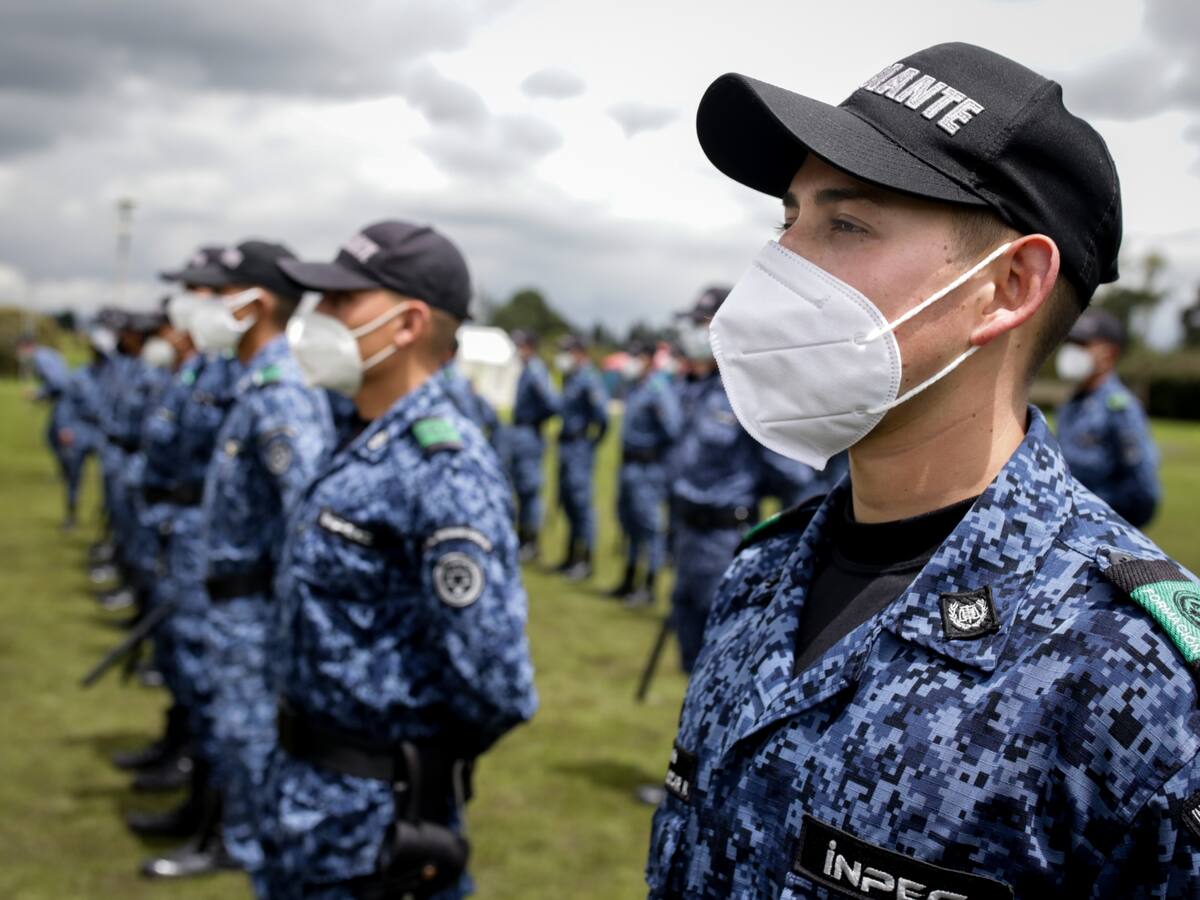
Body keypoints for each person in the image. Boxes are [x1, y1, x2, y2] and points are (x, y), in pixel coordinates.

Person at [646, 42, 1200, 897]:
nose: (783, 263)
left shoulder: (1128, 668)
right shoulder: (762, 575)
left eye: (846, 224)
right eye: (787, 220)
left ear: (1009, 285)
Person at [260, 219, 537, 898]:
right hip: (303, 800)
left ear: (408, 324)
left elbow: (497, 681)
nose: (317, 317)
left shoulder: (442, 466)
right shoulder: (357, 431)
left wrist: (410, 758)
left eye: (340, 301)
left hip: (375, 826)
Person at [145, 241, 334, 889]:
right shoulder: (254, 378)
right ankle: (223, 829)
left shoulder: (282, 389)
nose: (204, 306)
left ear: (255, 304)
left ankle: (239, 842)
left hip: (255, 608)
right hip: (230, 599)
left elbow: (304, 522)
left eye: (219, 293)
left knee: (250, 738)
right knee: (227, 728)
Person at [669, 286, 819, 673]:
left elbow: (792, 474)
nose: (694, 335)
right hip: (686, 533)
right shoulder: (697, 387)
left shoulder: (750, 394)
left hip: (724, 537)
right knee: (686, 629)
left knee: (720, 649)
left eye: (704, 325)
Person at [1055, 308, 1160, 527]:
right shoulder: (1070, 405)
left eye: (1083, 345)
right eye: (1071, 343)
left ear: (1109, 353)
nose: (1072, 351)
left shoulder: (1121, 408)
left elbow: (1143, 492)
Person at [612, 341, 681, 606]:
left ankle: (649, 587)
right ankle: (628, 581)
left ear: (649, 359)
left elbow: (672, 430)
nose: (631, 361)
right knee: (628, 523)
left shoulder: (657, 388)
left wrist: (655, 455)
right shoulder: (636, 388)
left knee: (649, 528)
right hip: (629, 466)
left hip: (647, 469)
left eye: (636, 356)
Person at [552, 333, 609, 580]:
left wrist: (590, 444)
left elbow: (602, 418)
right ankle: (570, 556)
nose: (564, 356)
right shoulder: (571, 377)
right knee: (567, 502)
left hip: (579, 447)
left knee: (582, 504)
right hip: (566, 446)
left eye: (568, 351)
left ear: (579, 352)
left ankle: (585, 560)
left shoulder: (589, 379)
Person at [506, 329, 561, 562]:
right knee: (520, 488)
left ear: (529, 346)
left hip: (530, 433)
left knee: (529, 490)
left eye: (520, 345)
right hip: (521, 432)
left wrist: (537, 420)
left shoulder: (537, 371)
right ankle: (522, 538)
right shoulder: (528, 370)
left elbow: (552, 403)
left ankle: (531, 541)